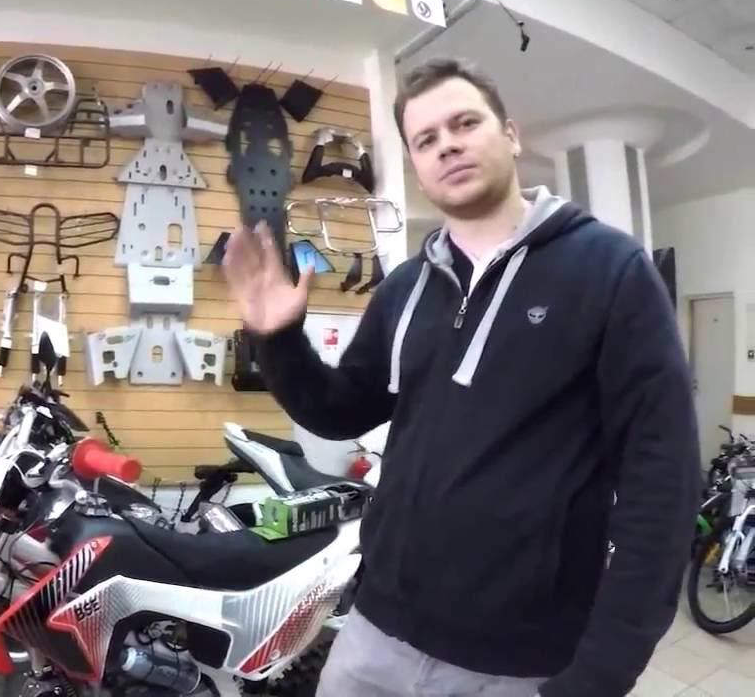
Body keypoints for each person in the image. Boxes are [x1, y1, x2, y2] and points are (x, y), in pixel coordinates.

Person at [222, 57, 698, 697]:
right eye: (425, 139)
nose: (446, 145)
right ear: (417, 166)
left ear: (511, 134)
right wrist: (279, 338)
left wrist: (605, 668)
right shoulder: (404, 288)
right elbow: (338, 411)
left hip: (515, 661)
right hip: (374, 635)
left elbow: (662, 480)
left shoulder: (609, 269)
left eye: (464, 123)